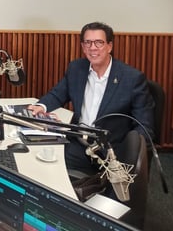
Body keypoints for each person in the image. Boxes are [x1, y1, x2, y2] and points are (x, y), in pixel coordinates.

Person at [28, 21, 155, 175]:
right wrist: (41, 106)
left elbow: (144, 127)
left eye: (99, 42)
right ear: (83, 46)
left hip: (112, 152)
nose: (92, 48)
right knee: (44, 170)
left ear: (109, 46)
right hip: (78, 144)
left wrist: (129, 156)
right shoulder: (76, 68)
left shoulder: (132, 78)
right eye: (87, 42)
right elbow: (58, 93)